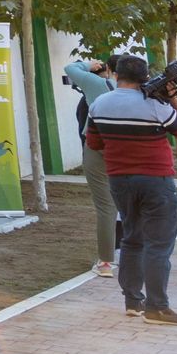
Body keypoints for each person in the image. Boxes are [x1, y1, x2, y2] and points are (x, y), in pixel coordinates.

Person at [85, 54, 177, 326]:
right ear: (146, 77)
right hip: (156, 181)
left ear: (115, 74)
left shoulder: (99, 104)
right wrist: (173, 99)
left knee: (132, 239)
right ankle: (157, 308)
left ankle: (133, 302)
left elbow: (94, 143)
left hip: (119, 181)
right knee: (158, 244)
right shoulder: (156, 106)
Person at [64, 56, 118, 276]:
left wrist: (89, 65)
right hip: (130, 149)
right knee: (134, 202)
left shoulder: (97, 84)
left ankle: (105, 263)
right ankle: (138, 254)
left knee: (106, 206)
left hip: (98, 147)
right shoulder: (142, 91)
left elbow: (70, 68)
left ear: (109, 68)